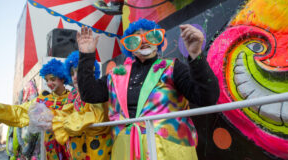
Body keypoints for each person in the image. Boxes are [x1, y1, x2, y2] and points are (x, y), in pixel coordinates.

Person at [77, 18, 220, 160]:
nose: (144, 41)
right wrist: (86, 56)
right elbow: (89, 94)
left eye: (151, 36)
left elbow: (207, 98)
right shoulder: (116, 75)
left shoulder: (173, 68)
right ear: (129, 48)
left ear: (159, 41)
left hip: (168, 151)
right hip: (126, 151)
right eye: (135, 39)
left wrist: (196, 55)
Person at [0, 58, 71, 160]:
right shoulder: (42, 100)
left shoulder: (73, 98)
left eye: (53, 79)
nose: (49, 83)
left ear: (62, 78)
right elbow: (19, 112)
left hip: (72, 150)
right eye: (47, 80)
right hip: (51, 153)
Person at [52, 51, 113, 160]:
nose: (75, 77)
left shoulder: (97, 90)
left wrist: (66, 123)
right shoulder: (73, 95)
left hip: (97, 152)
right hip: (77, 153)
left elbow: (97, 119)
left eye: (79, 72)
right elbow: (62, 115)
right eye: (72, 73)